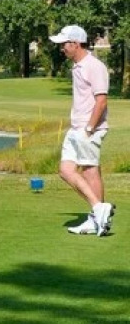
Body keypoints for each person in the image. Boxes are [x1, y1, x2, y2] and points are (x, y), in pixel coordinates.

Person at [52, 25, 115, 236]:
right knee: (65, 170)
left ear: (76, 44)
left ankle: (97, 218)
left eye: (64, 44)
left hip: (89, 128)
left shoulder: (94, 66)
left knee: (89, 170)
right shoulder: (77, 66)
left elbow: (102, 101)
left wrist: (89, 128)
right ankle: (99, 209)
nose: (62, 48)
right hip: (76, 127)